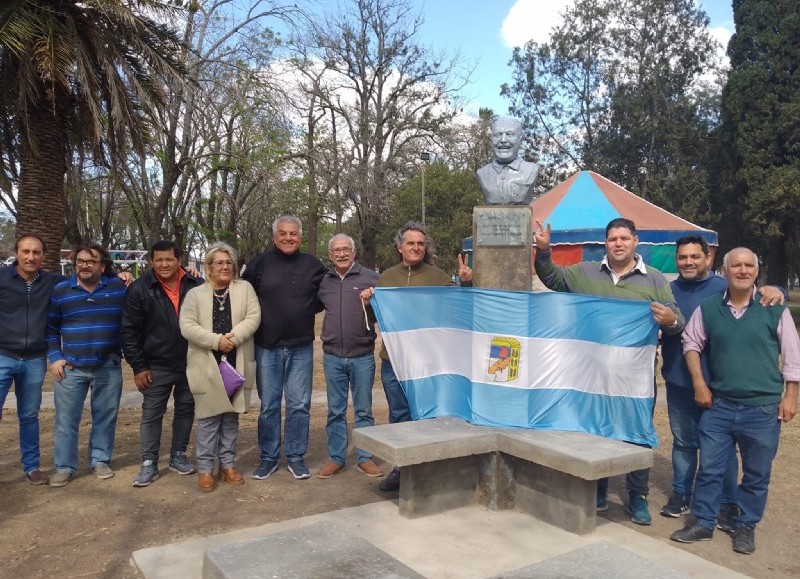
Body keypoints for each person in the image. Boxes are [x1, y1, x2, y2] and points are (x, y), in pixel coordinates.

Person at [534, 217, 683, 525]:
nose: (618, 243)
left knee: (637, 433)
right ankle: (598, 487)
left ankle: (637, 496)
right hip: (591, 375)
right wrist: (545, 250)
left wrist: (669, 319)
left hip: (634, 377)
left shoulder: (654, 279)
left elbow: (676, 322)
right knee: (595, 429)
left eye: (624, 238)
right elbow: (552, 280)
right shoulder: (586, 272)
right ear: (605, 242)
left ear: (635, 241)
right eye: (613, 238)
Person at [671, 247, 799, 555]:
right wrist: (700, 384)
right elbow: (690, 341)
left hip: (763, 408)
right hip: (720, 406)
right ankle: (703, 521)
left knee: (756, 474)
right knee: (711, 468)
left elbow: (792, 355)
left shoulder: (774, 307)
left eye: (748, 266)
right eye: (736, 266)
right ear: (725, 272)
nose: (742, 271)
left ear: (756, 271)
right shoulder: (710, 307)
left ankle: (745, 525)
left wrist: (791, 397)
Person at [360, 221, 473, 491]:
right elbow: (377, 318)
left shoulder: (437, 277)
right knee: (399, 416)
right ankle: (402, 470)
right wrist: (368, 302)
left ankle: (428, 472)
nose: (416, 248)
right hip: (394, 363)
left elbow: (460, 309)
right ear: (400, 247)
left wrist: (467, 285)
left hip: (427, 364)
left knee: (426, 417)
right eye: (411, 243)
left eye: (420, 244)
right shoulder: (386, 277)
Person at [242, 216, 325, 481]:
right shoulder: (259, 264)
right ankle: (268, 457)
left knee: (300, 405)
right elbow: (242, 294)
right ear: (274, 236)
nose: (288, 238)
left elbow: (322, 299)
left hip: (301, 347)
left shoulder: (313, 265)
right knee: (269, 405)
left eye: (293, 234)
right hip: (267, 347)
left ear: (300, 237)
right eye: (283, 234)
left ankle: (296, 456)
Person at [179, 242, 260, 493]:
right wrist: (217, 341)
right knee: (209, 418)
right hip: (207, 365)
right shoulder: (195, 294)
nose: (225, 267)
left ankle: (227, 465)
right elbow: (187, 326)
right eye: (219, 263)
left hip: (236, 362)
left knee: (230, 418)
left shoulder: (244, 288)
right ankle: (205, 469)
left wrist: (232, 340)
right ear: (208, 267)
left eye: (228, 262)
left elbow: (253, 317)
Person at [121, 241, 203, 487]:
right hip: (156, 364)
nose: (164, 264)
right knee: (152, 412)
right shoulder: (139, 288)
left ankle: (178, 454)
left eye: (169, 259)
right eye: (159, 260)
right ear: (151, 262)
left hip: (191, 361)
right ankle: (149, 463)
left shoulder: (195, 284)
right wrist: (139, 367)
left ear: (179, 259)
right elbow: (128, 330)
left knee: (186, 409)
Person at [47, 244, 128, 487]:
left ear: (102, 266)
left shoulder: (118, 289)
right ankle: (64, 467)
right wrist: (55, 357)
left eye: (91, 262)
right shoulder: (61, 291)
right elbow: (51, 330)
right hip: (70, 368)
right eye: (80, 261)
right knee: (66, 421)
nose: (84, 265)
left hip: (108, 366)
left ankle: (100, 460)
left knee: (105, 417)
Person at [316, 234, 382, 479]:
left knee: (363, 410)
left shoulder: (371, 278)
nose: (341, 254)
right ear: (331, 255)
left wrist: (370, 302)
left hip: (362, 355)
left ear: (354, 252)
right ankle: (336, 457)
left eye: (346, 250)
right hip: (333, 356)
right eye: (336, 251)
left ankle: (365, 457)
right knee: (335, 410)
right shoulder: (324, 281)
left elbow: (381, 314)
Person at [0, 235, 63, 485]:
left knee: (29, 415)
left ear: (43, 256)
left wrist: (118, 275)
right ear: (17, 253)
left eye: (36, 252)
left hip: (34, 360)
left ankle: (32, 466)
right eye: (26, 251)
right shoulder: (2, 279)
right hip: (3, 355)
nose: (31, 257)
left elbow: (86, 279)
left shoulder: (52, 282)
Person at [476, 117, 539, 205]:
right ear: (491, 140)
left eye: (510, 134)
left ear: (520, 140)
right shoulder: (482, 173)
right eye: (498, 135)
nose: (503, 140)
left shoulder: (531, 170)